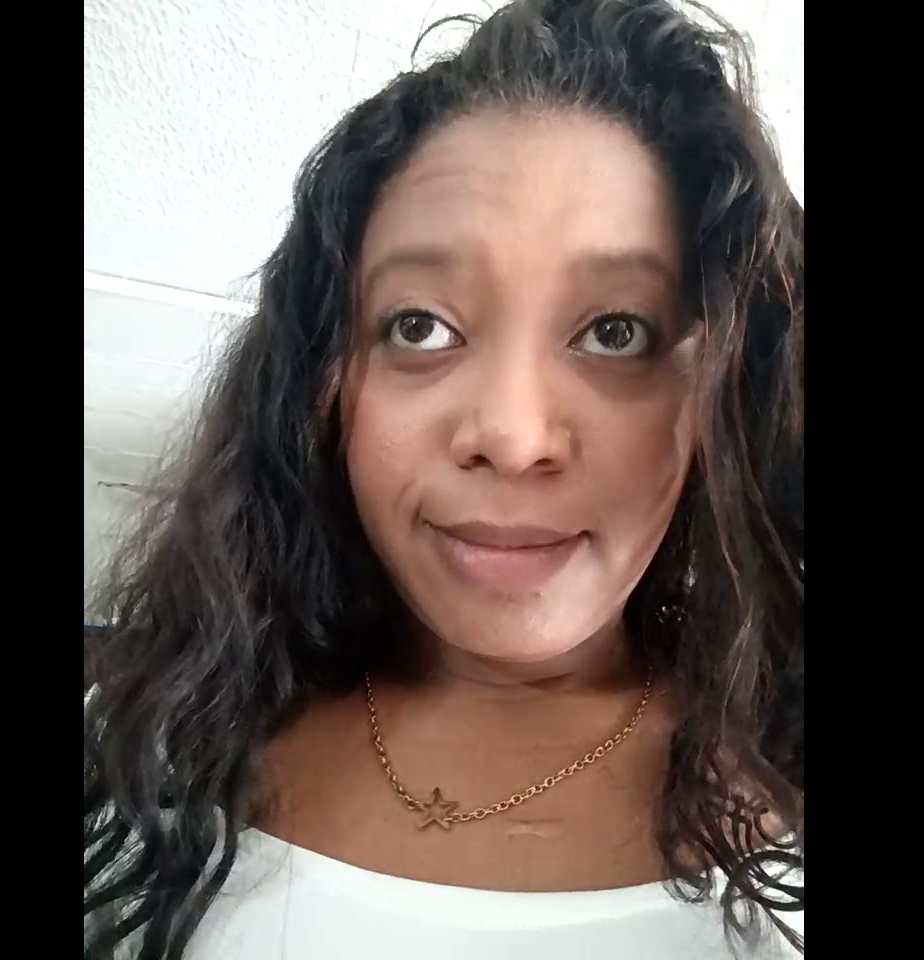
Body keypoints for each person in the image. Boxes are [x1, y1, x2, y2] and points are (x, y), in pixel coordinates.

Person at [84, 0, 804, 957]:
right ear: (325, 384)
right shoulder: (139, 742)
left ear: (720, 398)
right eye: (420, 326)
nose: (511, 438)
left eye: (615, 331)